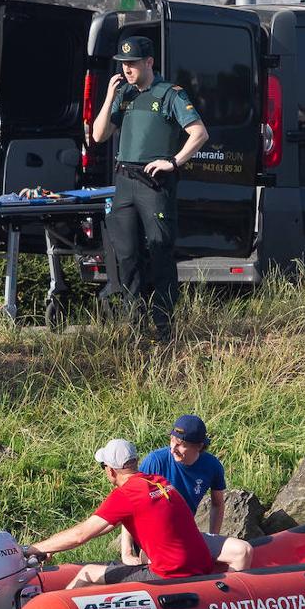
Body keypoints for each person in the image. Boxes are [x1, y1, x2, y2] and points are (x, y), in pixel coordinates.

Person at [90, 36, 209, 342]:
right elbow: (99, 135)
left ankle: (165, 325)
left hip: (153, 182)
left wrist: (175, 161)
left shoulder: (169, 94)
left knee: (159, 251)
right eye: (124, 64)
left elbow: (199, 133)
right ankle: (135, 322)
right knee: (127, 253)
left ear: (149, 62)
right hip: (124, 181)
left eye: (132, 63)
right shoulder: (124, 94)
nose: (127, 69)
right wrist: (108, 97)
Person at [25, 439, 213, 589]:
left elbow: (80, 535)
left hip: (171, 575)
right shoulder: (159, 482)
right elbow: (105, 526)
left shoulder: (126, 495)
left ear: (111, 470)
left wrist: (33, 548)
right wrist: (51, 546)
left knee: (87, 573)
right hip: (202, 567)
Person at [132, 414, 253, 572]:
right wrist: (127, 551)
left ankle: (221, 593)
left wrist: (213, 536)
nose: (173, 448)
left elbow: (217, 504)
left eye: (181, 444)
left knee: (244, 551)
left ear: (199, 446)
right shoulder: (155, 461)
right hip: (156, 538)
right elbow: (131, 504)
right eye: (172, 441)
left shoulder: (212, 466)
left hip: (186, 534)